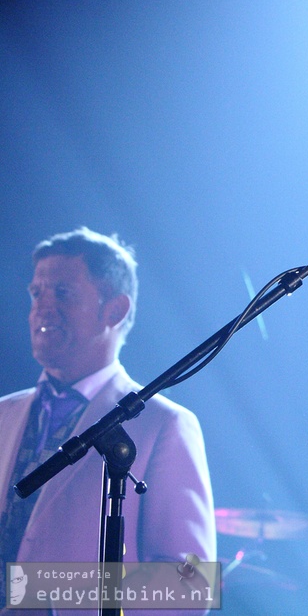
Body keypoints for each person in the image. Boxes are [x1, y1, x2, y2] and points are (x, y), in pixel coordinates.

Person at [0, 227, 216, 613]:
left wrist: (37, 591)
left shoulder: (164, 424)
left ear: (115, 310)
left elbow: (192, 585)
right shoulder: (4, 412)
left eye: (62, 293)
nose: (42, 307)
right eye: (37, 294)